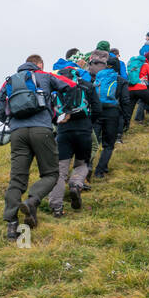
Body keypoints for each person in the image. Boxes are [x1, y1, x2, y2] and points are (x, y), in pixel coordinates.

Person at [0, 54, 74, 240]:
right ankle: (32, 201)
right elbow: (71, 87)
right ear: (40, 65)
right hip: (42, 130)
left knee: (17, 180)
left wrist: (11, 121)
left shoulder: (9, 81)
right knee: (51, 174)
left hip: (17, 134)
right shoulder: (45, 76)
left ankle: (12, 226)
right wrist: (62, 111)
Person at [47, 63, 99, 217]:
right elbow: (97, 108)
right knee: (82, 163)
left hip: (63, 132)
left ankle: (56, 206)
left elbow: (51, 111)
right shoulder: (87, 86)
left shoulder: (56, 89)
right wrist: (89, 123)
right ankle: (76, 184)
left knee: (60, 170)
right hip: (84, 130)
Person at [88, 51, 124, 177]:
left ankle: (87, 168)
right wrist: (125, 118)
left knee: (93, 143)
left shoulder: (98, 76)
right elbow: (125, 101)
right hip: (112, 113)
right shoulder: (120, 80)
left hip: (97, 111)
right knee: (108, 145)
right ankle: (99, 171)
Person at [127, 46, 149, 128]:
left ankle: (123, 129)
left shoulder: (133, 65)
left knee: (129, 110)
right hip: (141, 89)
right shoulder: (147, 65)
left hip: (130, 89)